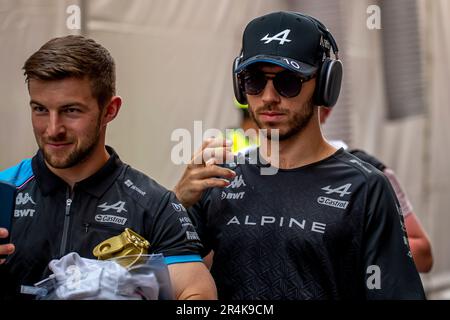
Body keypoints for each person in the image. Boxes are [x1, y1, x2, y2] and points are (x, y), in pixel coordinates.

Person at [174, 11, 425, 299]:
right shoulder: (221, 177)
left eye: (288, 82)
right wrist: (177, 201)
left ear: (326, 86)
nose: (268, 97)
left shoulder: (366, 187)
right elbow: (146, 274)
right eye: (254, 80)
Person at [0, 35, 216, 300]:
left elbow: (197, 293)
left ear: (110, 110)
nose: (53, 129)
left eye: (71, 111)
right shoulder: (4, 191)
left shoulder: (154, 205)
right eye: (40, 110)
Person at [319, 107, 433, 273]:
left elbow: (423, 255)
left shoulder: (368, 173)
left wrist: (355, 248)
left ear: (325, 109)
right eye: (264, 85)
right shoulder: (269, 173)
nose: (271, 99)